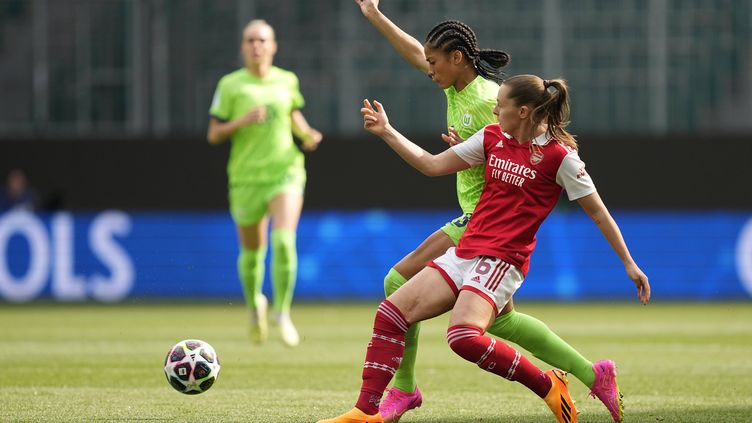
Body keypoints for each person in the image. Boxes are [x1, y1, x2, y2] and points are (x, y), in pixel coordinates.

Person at [317, 75, 651, 423]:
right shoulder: (492, 137)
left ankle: (549, 384)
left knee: (462, 336)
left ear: (522, 111)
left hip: (504, 260)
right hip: (468, 249)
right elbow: (432, 164)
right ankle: (365, 411)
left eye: (501, 105)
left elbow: (598, 212)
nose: (494, 109)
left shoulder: (560, 157)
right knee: (390, 314)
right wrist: (387, 131)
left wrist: (629, 263)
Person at [355, 2, 628, 422]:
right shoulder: (456, 88)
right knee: (502, 324)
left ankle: (404, 391)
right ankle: (593, 374)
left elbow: (530, 131)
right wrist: (374, 15)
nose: (427, 68)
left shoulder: (487, 101)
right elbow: (416, 53)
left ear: (456, 58)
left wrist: (557, 150)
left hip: (485, 218)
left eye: (434, 61)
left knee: (398, 280)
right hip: (477, 217)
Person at [207, 19, 322, 347]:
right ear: (243, 47)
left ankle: (282, 312)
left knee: (284, 240)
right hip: (246, 177)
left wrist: (306, 133)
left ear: (273, 46)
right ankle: (255, 303)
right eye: (250, 40)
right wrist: (240, 121)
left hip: (285, 170)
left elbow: (292, 114)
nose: (256, 45)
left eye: (262, 40)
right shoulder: (230, 85)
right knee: (253, 252)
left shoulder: (287, 80)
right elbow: (214, 133)